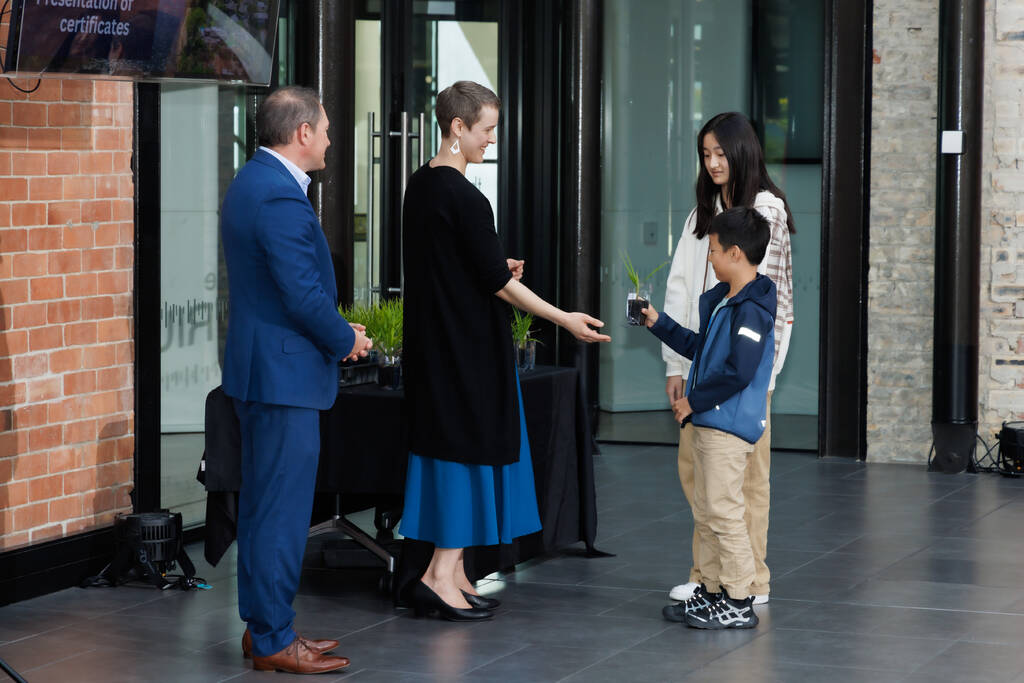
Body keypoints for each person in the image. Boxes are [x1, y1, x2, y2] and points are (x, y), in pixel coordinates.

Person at [400, 80, 611, 621]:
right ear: (457, 127)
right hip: (468, 350)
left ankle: (455, 573)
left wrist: (494, 268)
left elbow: (453, 266)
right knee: (467, 452)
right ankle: (438, 575)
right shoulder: (467, 197)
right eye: (487, 129)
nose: (492, 140)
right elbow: (495, 281)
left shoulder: (418, 187)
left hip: (434, 344)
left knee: (449, 451)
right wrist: (563, 317)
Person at [220, 86, 372, 674]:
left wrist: (333, 325)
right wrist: (346, 339)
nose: (332, 139)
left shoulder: (252, 181)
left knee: (264, 510)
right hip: (284, 377)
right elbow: (303, 295)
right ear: (301, 133)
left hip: (265, 370)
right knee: (280, 515)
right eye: (327, 129)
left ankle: (265, 630)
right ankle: (276, 640)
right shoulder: (280, 197)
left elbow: (285, 293)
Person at [662, 112, 794, 609]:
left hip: (745, 369)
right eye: (705, 154)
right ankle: (708, 576)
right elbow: (679, 287)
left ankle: (751, 580)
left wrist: (763, 377)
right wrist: (675, 366)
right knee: (700, 475)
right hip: (701, 364)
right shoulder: (702, 213)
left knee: (746, 478)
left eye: (721, 153)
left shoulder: (766, 210)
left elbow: (774, 300)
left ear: (742, 152)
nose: (713, 163)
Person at [642, 206, 776, 629]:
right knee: (708, 511)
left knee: (724, 513)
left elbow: (739, 371)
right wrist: (658, 323)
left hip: (727, 426)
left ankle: (739, 599)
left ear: (736, 253)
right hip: (711, 424)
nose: (710, 258)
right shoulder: (728, 302)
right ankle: (713, 591)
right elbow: (702, 348)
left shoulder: (752, 310)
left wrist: (693, 402)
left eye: (714, 251)